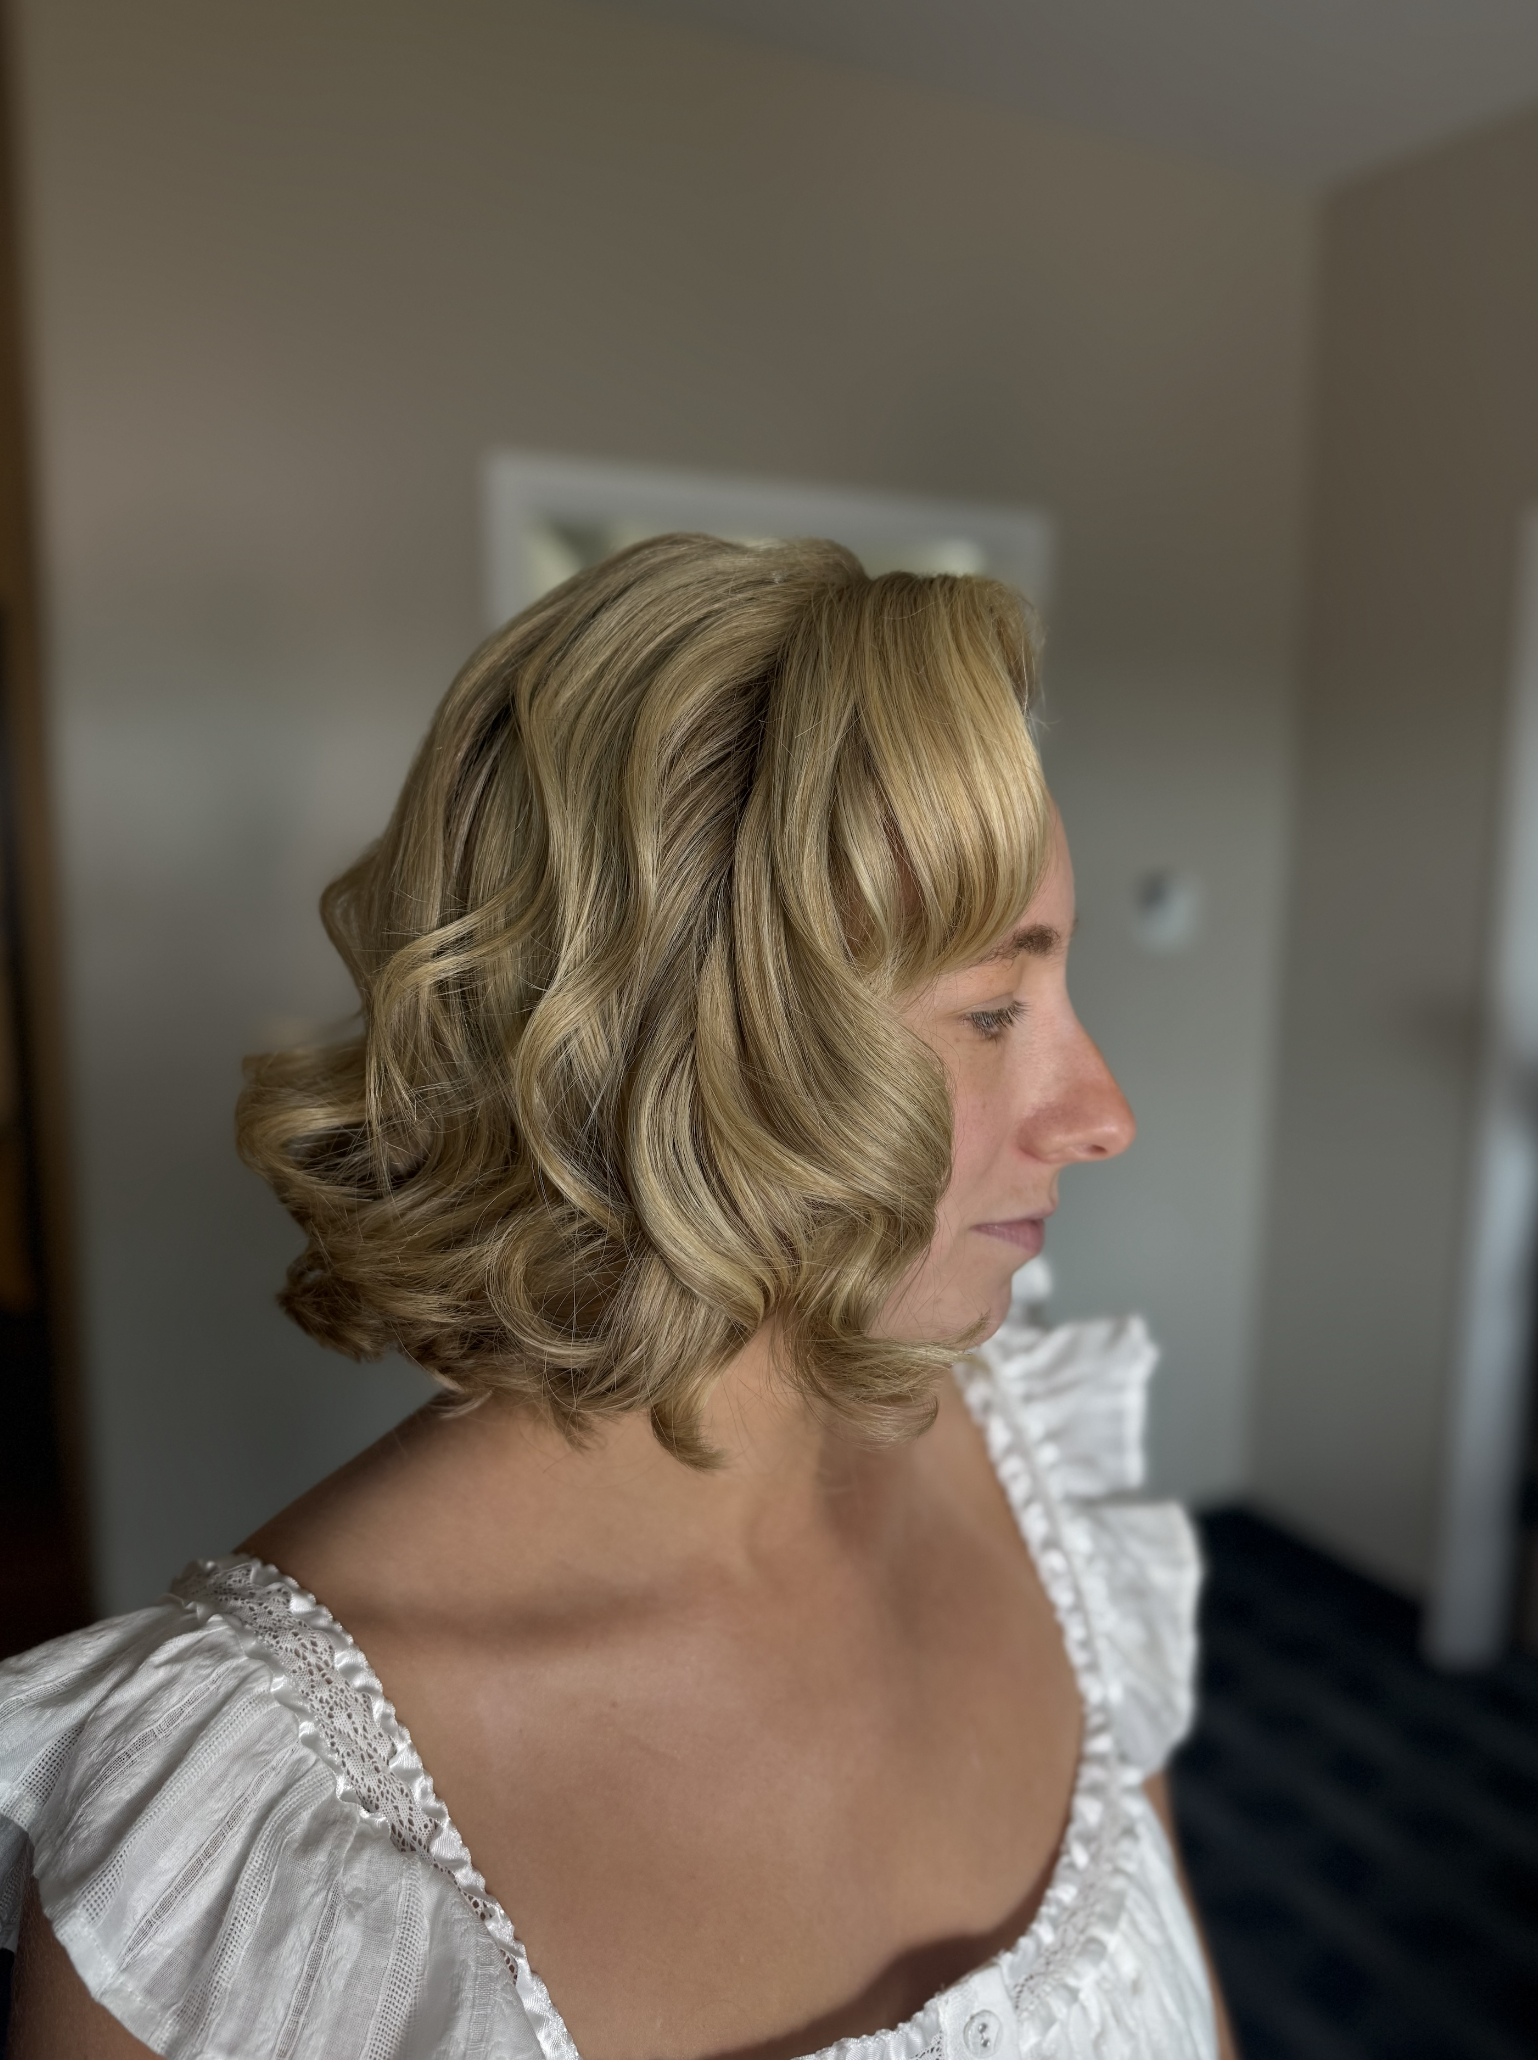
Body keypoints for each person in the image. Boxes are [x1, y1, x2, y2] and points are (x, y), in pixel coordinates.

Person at [0, 536, 1236, 2059]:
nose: (1099, 1113)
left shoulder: (1044, 1480)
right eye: (992, 1009)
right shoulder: (244, 1837)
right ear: (683, 1055)